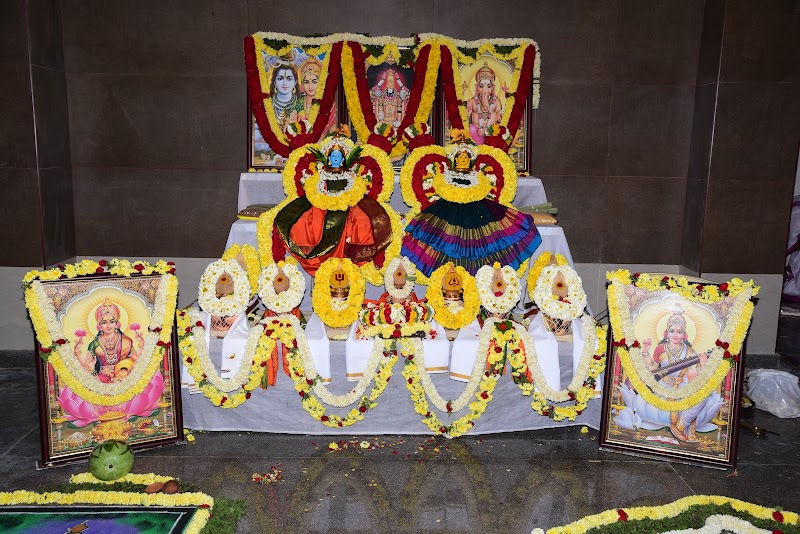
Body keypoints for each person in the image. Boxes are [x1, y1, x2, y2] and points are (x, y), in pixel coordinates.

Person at [641, 305, 710, 442]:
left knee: (700, 400)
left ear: (684, 334)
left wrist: (703, 364)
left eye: (679, 331)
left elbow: (695, 374)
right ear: (667, 332)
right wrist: (645, 351)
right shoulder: (661, 348)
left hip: (682, 385)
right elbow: (653, 369)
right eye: (672, 331)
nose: (675, 335)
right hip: (662, 387)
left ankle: (679, 427)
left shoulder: (690, 351)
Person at [74, 299, 144, 383]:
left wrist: (141, 344)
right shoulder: (94, 344)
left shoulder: (126, 341)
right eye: (104, 322)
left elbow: (134, 360)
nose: (108, 326)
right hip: (100, 381)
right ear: (99, 325)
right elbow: (88, 367)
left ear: (116, 323)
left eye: (112, 322)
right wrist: (77, 351)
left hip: (122, 378)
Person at [463, 62, 506, 144]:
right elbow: (466, 116)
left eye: (489, 86)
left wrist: (499, 117)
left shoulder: (496, 101)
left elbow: (499, 114)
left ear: (493, 88)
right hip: (476, 131)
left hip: (492, 131)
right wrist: (467, 113)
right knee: (471, 129)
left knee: (499, 130)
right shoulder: (472, 101)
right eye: (481, 86)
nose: (485, 90)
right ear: (477, 88)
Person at [270, 63, 305, 132]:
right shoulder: (267, 104)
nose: (284, 83)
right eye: (280, 78)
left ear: (295, 82)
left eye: (289, 79)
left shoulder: (301, 104)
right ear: (274, 82)